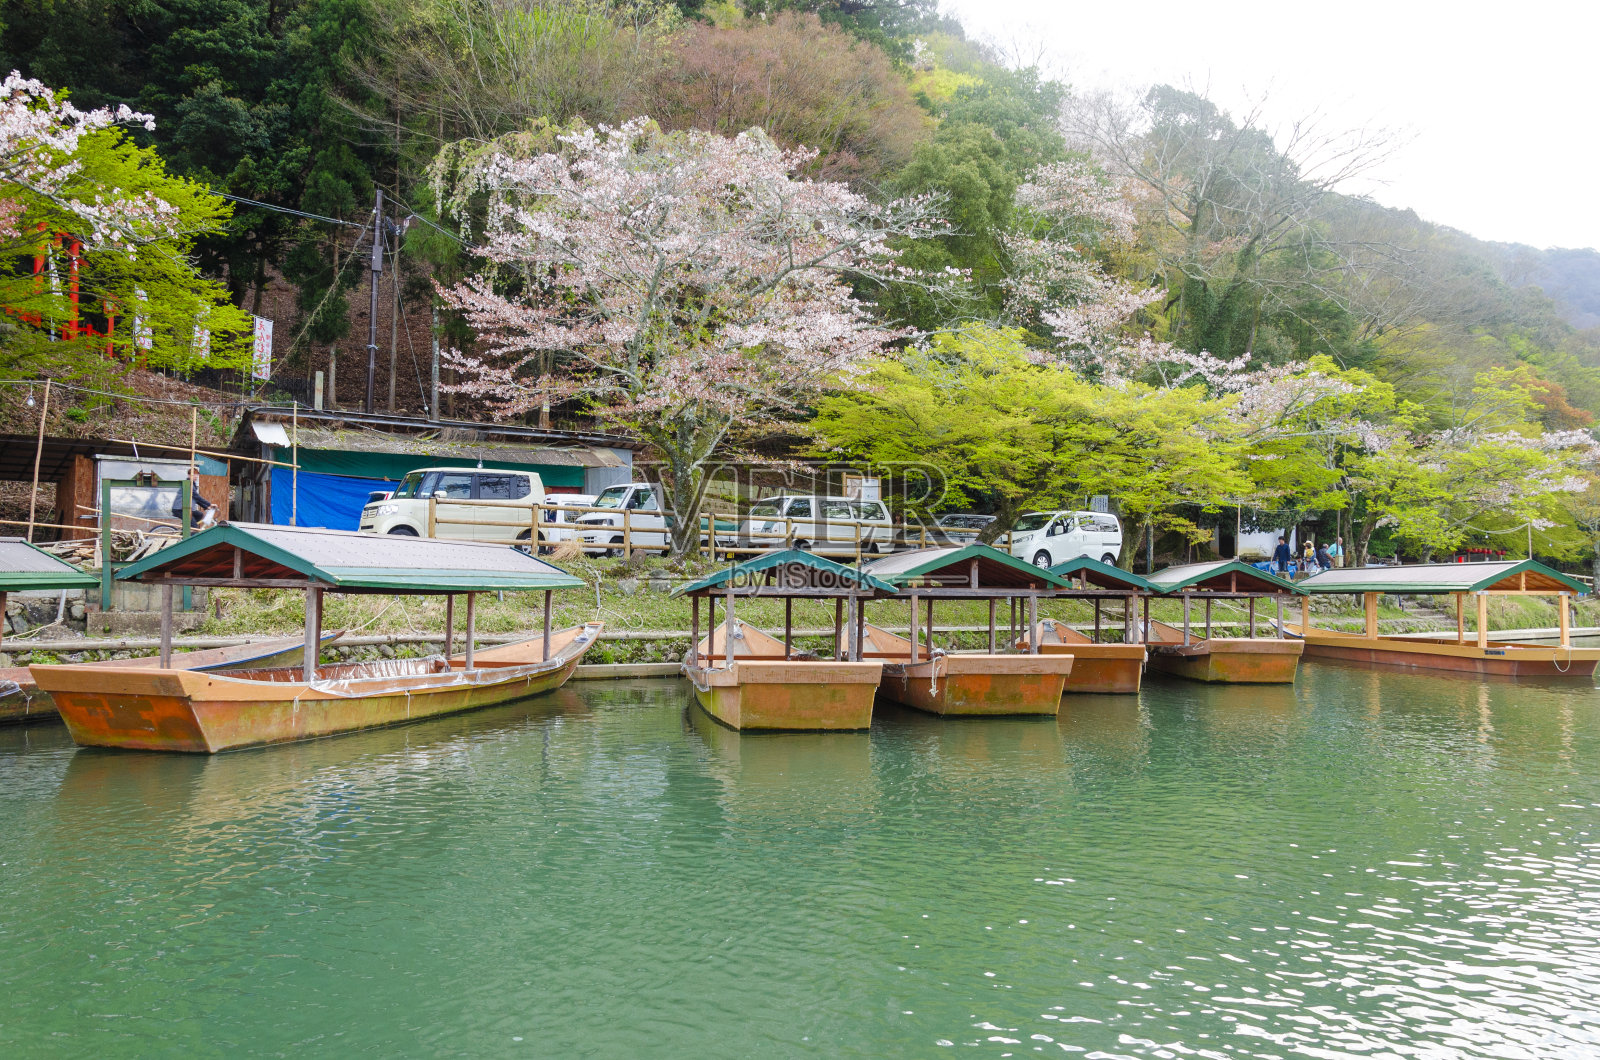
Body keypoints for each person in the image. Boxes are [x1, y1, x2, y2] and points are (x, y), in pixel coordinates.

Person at [170, 466, 218, 530]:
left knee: (199, 515)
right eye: (194, 475)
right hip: (179, 509)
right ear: (189, 475)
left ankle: (185, 530)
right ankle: (191, 532)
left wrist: (206, 507)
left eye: (197, 475)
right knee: (194, 527)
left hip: (185, 508)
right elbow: (196, 496)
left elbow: (196, 499)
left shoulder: (193, 484)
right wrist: (209, 504)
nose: (196, 477)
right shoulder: (188, 484)